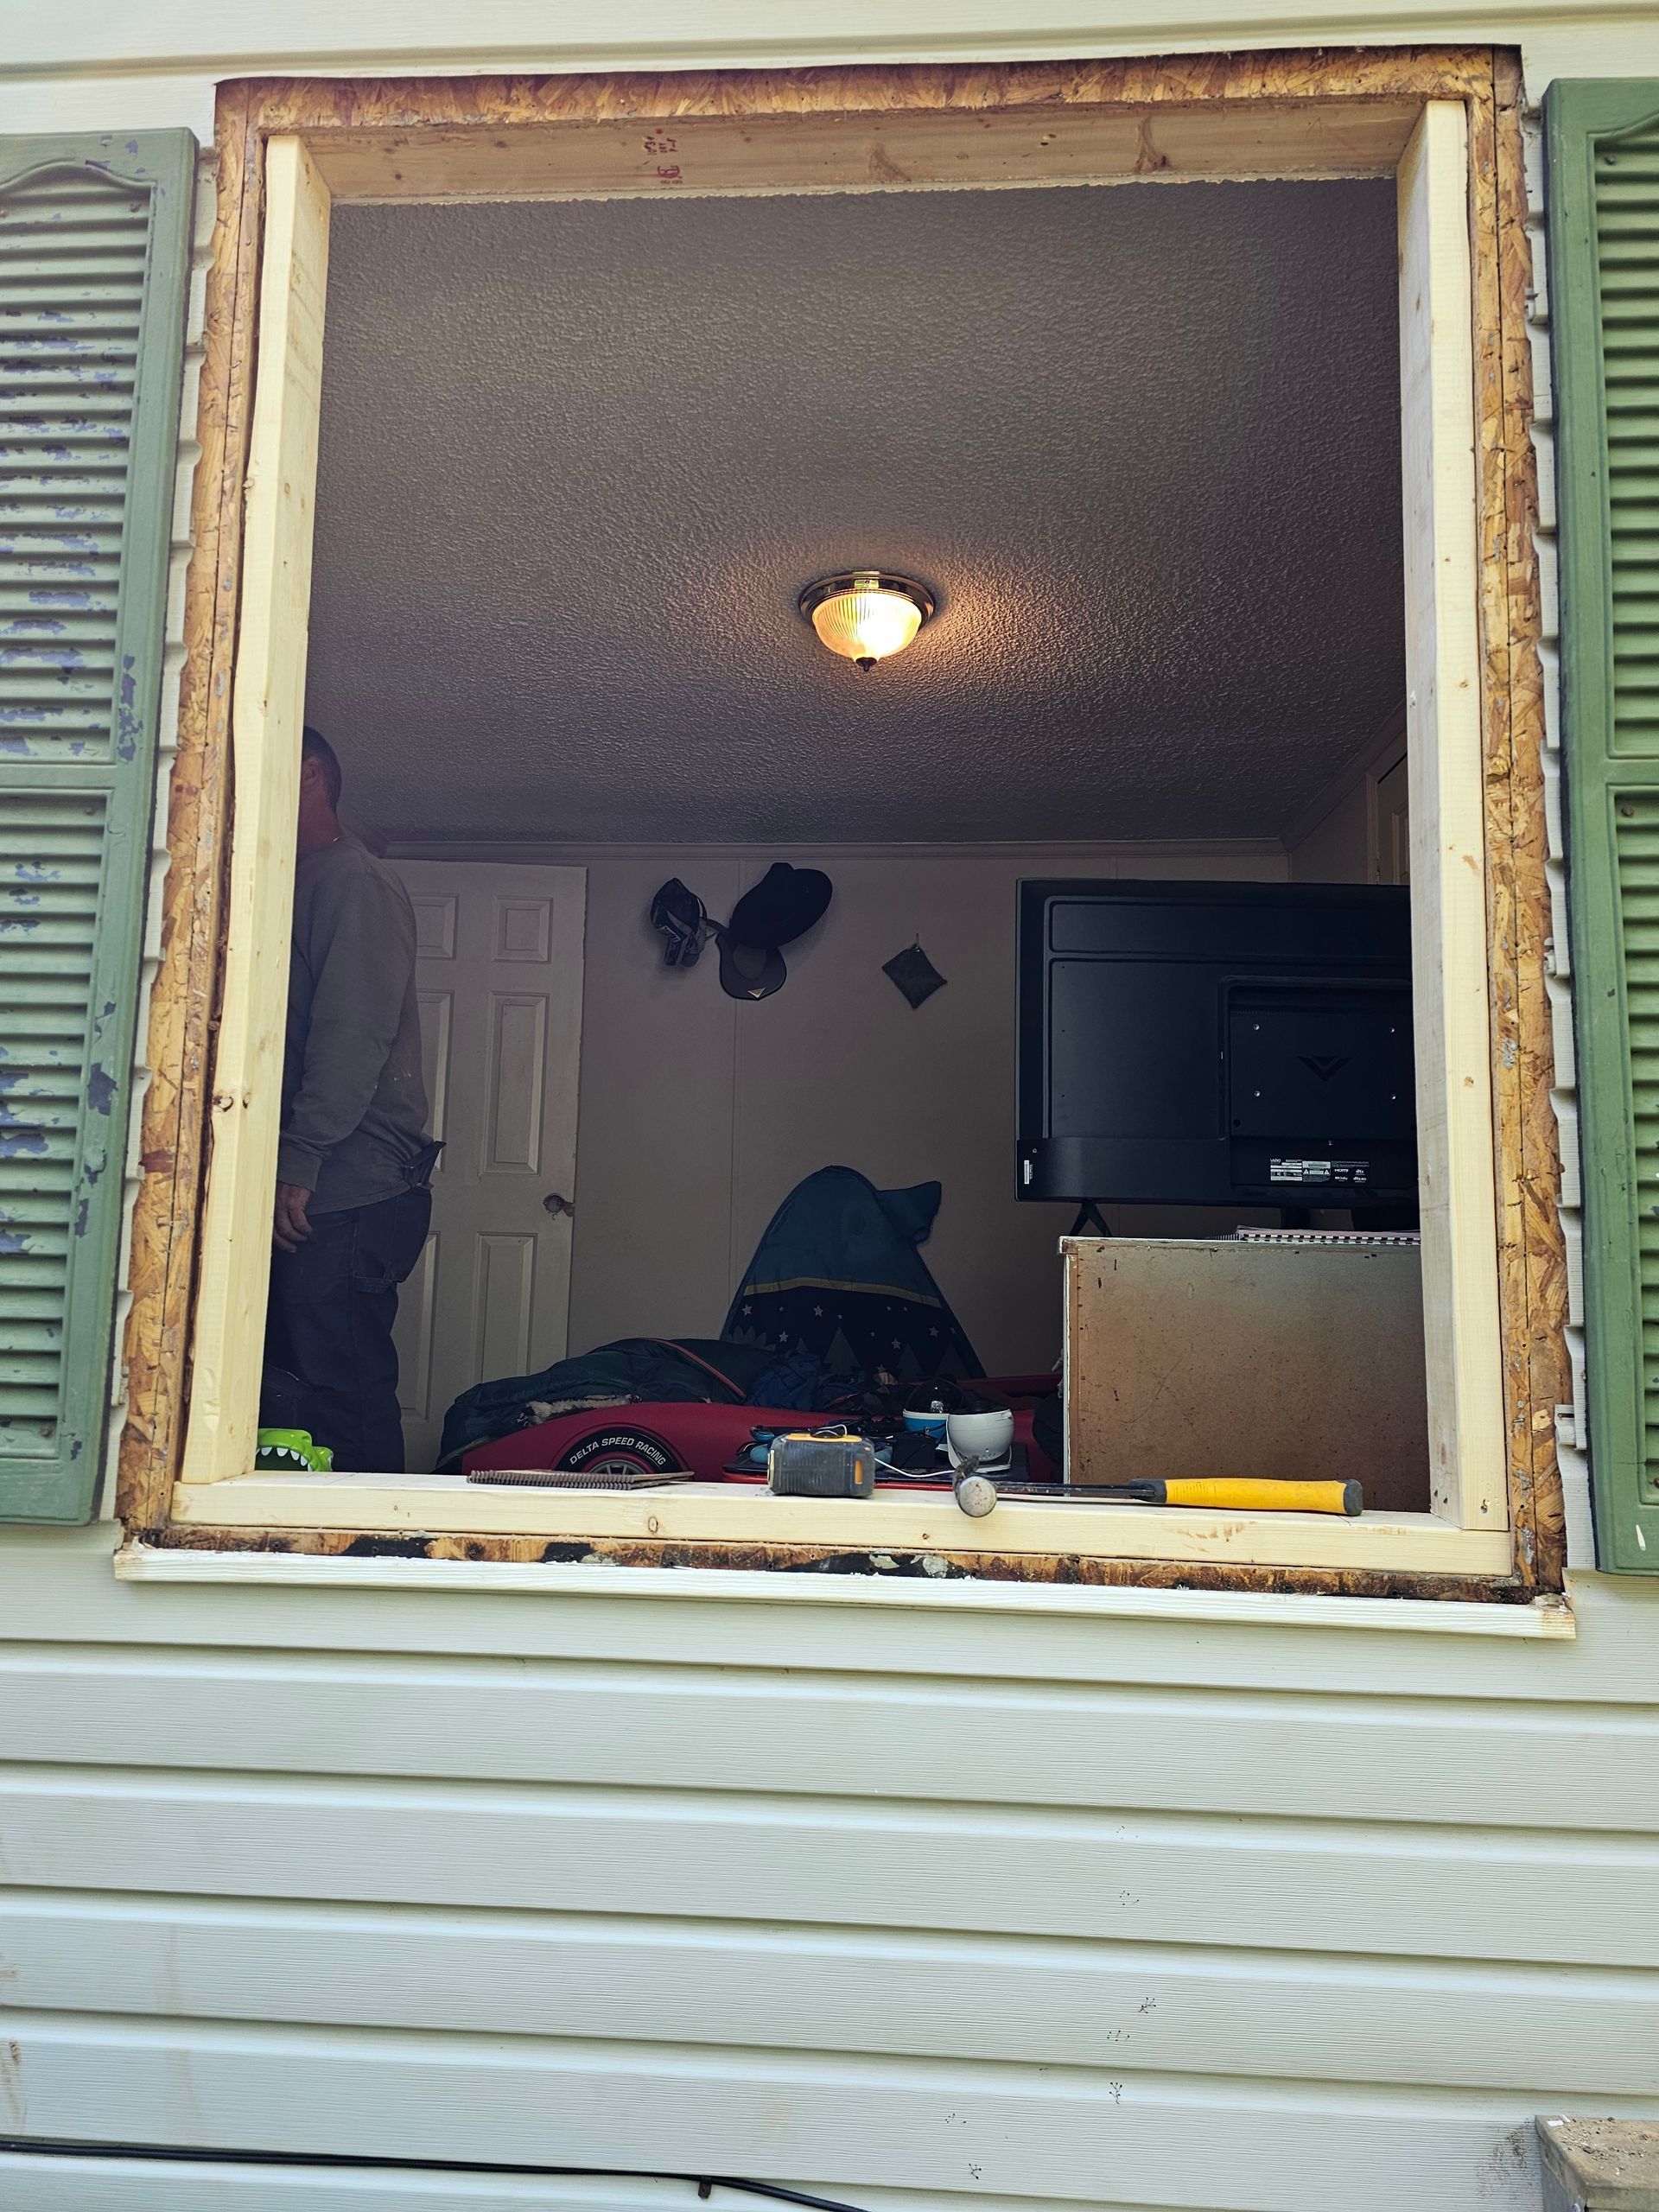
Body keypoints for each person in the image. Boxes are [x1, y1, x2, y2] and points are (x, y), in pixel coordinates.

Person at [265, 726, 435, 1472]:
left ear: (309, 776)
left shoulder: (352, 879)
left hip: (346, 1189)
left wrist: (297, 1161)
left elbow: (352, 1033)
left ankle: (374, 1565)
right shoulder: (292, 885)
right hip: (320, 1188)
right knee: (294, 1388)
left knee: (343, 1390)